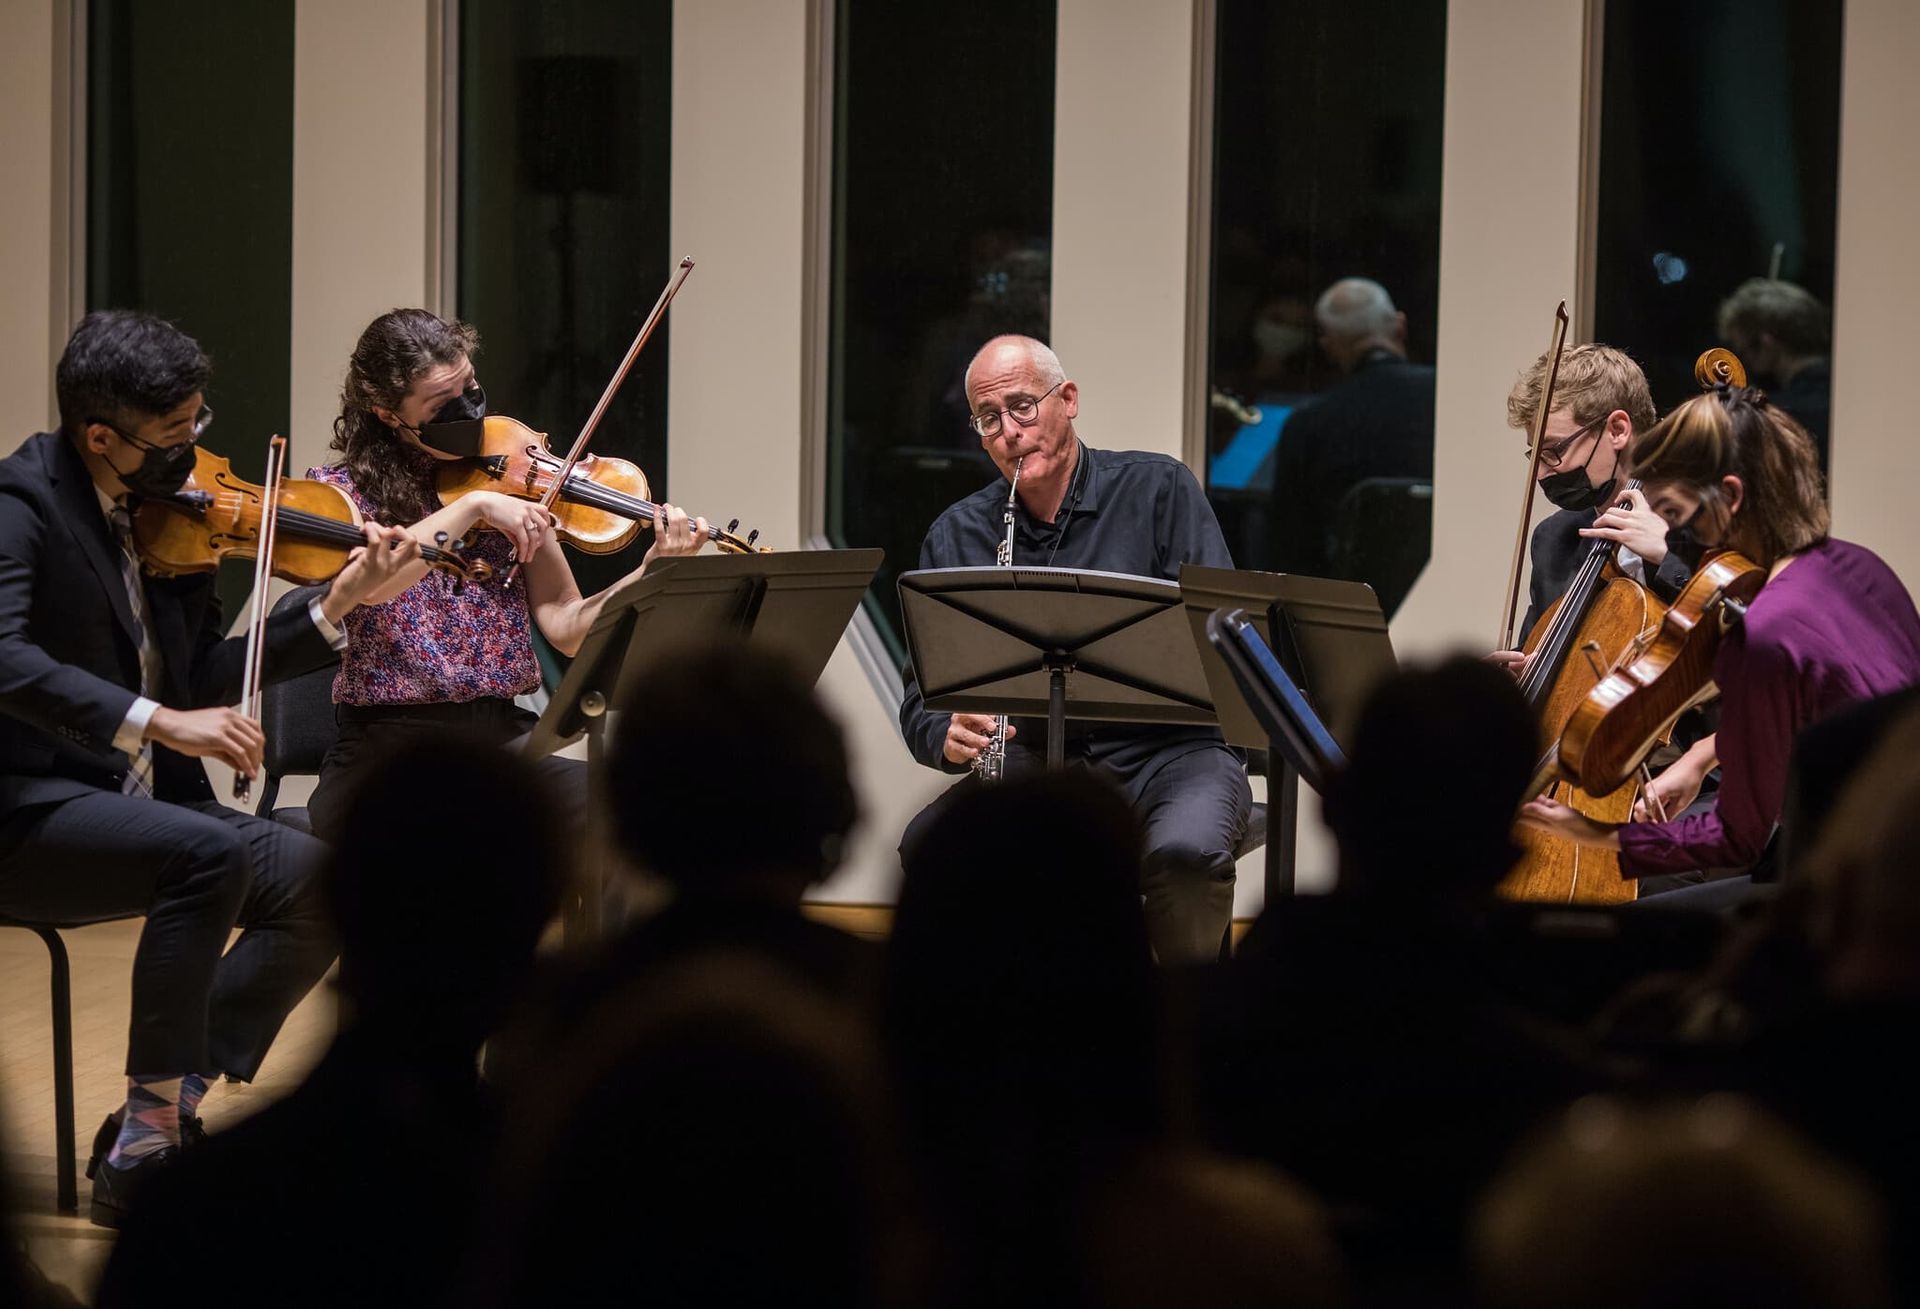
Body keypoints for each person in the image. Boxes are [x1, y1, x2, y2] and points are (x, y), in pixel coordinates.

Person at [0, 310, 413, 1225]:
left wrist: (338, 602)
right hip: (27, 812)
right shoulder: (20, 505)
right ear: (99, 435)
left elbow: (201, 681)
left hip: (137, 810)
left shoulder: (166, 520)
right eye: (172, 433)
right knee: (205, 852)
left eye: (199, 421)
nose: (190, 450)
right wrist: (158, 722)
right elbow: (5, 662)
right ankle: (146, 1152)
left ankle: (157, 1109)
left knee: (326, 881)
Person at [96, 734, 570, 1308]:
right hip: (381, 743)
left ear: (341, 909)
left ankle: (151, 1116)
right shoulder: (561, 1207)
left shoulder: (190, 1213)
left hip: (494, 743)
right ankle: (157, 1113)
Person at [897, 334, 1251, 963]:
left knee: (1186, 859)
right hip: (1035, 761)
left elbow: (1225, 643)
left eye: (1023, 406)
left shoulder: (1158, 490)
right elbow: (922, 694)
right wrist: (944, 731)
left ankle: (1190, 1034)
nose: (1008, 430)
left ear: (1068, 400)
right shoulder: (957, 534)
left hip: (1171, 755)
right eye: (988, 418)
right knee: (933, 848)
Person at [300, 308, 708, 840]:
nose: (468, 407)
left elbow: (565, 624)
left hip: (504, 738)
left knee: (635, 816)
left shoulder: (514, 477)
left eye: (470, 385)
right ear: (387, 414)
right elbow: (371, 586)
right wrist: (474, 508)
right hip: (388, 749)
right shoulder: (340, 496)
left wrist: (651, 574)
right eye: (443, 404)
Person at [1519, 386, 1920, 893]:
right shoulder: (1860, 566)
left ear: (1730, 497)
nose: (1675, 533)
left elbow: (1736, 839)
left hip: (1855, 880)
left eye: (1675, 512)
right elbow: (1829, 714)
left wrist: (1597, 834)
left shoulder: (1765, 631)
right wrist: (1705, 755)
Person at [1267, 277, 1434, 600]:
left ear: (1329, 345)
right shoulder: (1448, 403)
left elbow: (1290, 553)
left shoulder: (1309, 424)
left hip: (1349, 607)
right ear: (1400, 326)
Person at [1718, 278, 1832, 473]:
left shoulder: (1780, 413)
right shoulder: (1837, 392)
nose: (1742, 359)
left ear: (1766, 343)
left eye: (1742, 350)